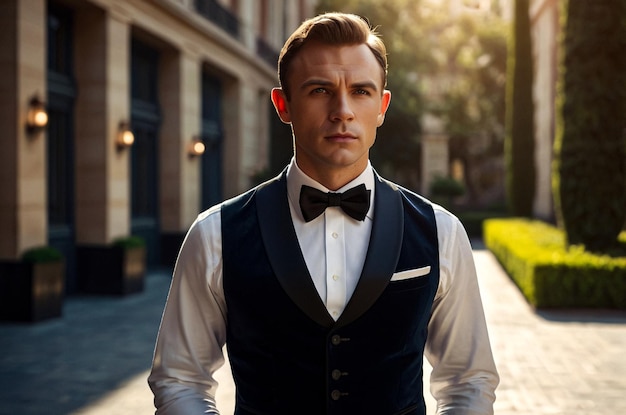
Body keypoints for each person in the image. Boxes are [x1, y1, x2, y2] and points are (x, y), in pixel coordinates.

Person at [148, 12, 499, 415]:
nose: (342, 110)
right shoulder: (215, 236)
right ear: (284, 104)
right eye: (319, 90)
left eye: (362, 92)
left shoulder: (441, 232)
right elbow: (179, 379)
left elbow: (468, 381)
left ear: (382, 107)